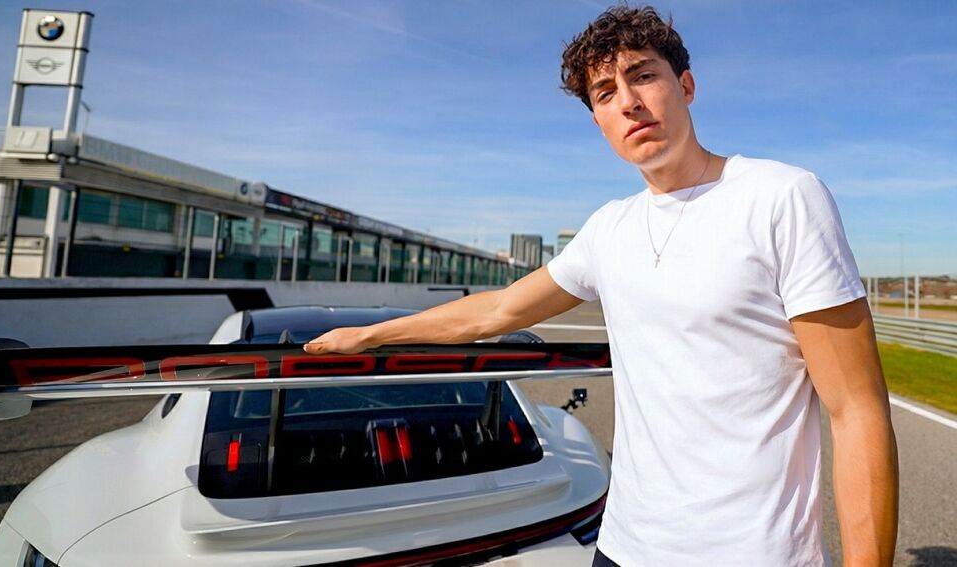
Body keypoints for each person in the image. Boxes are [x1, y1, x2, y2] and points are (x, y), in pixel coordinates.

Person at [304, 4, 898, 566]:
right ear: (598, 121)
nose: (629, 103)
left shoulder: (781, 197)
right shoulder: (609, 228)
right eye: (606, 93)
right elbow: (499, 310)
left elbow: (857, 410)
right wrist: (372, 335)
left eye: (644, 76)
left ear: (686, 86)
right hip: (624, 546)